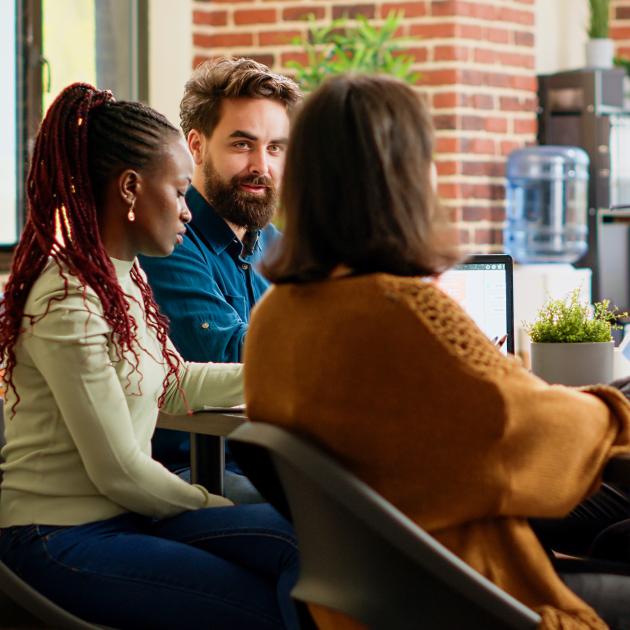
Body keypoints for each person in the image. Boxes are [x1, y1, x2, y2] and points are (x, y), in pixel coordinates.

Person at [243, 73, 630, 630]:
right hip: (477, 599)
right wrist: (616, 412)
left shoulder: (275, 318)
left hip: (377, 601)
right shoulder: (403, 314)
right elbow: (528, 435)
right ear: (407, 178)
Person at [0, 83, 299, 630]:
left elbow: (172, 382)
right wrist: (212, 504)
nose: (188, 212)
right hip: (62, 535)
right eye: (180, 192)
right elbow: (118, 471)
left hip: (127, 515)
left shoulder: (125, 273)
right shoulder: (67, 299)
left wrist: (288, 373)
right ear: (132, 189)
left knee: (301, 546)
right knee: (269, 594)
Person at [139, 58, 302, 496]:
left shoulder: (280, 247)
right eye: (242, 145)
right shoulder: (167, 241)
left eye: (274, 148)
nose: (261, 167)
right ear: (196, 145)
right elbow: (226, 353)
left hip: (272, 456)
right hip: (191, 468)